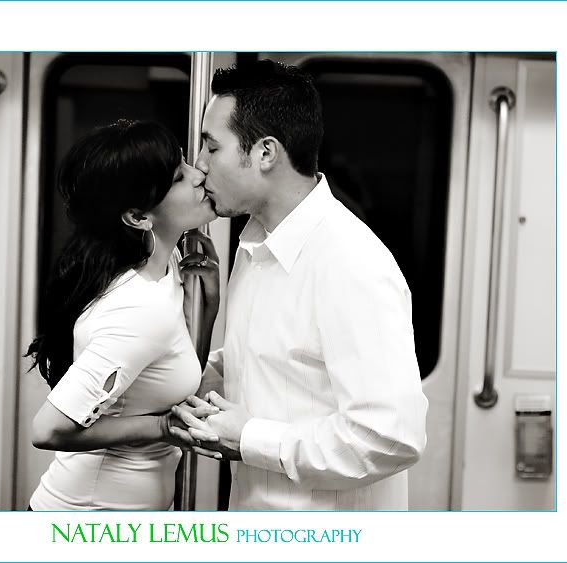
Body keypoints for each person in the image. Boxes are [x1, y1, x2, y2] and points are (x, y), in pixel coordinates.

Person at [170, 60, 429, 510]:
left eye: (212, 147)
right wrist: (169, 374)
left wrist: (250, 439)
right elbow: (272, 365)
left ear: (265, 153)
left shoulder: (350, 262)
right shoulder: (256, 244)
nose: (200, 166)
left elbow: (391, 435)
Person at [26, 119, 220, 510]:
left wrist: (209, 305)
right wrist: (161, 427)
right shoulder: (138, 307)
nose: (199, 174)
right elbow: (47, 430)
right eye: (178, 177)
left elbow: (169, 376)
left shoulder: (166, 265)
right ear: (138, 217)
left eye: (186, 163)